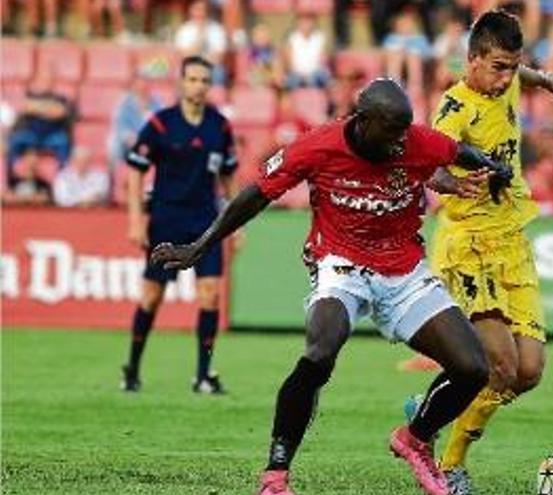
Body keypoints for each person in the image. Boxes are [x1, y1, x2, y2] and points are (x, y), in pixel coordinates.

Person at [149, 78, 521, 495]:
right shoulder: (318, 146)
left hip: (404, 269)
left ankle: (415, 439)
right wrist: (199, 246)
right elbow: (254, 195)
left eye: (405, 131)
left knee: (473, 368)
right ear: (363, 122)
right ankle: (275, 476)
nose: (401, 142)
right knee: (320, 353)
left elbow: (457, 152)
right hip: (341, 264)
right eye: (392, 132)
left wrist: (495, 167)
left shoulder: (414, 140)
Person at [418, 10, 553, 494]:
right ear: (473, 60)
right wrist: (457, 184)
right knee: (500, 365)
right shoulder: (453, 108)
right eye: (499, 67)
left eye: (513, 67)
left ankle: (432, 408)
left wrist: (543, 79)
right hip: (468, 246)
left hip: (512, 239)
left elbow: (518, 74)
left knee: (527, 373)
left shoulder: (506, 80)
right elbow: (429, 167)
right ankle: (450, 463)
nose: (507, 78)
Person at [120, 56, 239, 395]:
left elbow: (229, 178)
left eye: (205, 80)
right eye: (193, 79)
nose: (199, 85)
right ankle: (132, 368)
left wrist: (237, 223)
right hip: (166, 220)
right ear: (181, 82)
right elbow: (135, 170)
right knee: (151, 297)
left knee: (210, 295)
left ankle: (203, 375)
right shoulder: (160, 124)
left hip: (206, 223)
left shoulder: (220, 126)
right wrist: (135, 219)